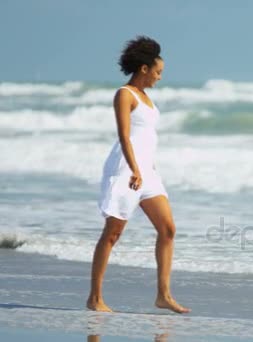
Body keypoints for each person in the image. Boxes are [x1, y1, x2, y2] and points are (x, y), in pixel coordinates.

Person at [86, 36, 190, 314]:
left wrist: (148, 169)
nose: (159, 77)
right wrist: (134, 169)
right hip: (126, 171)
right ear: (144, 68)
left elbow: (147, 138)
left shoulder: (147, 98)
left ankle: (163, 295)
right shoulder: (125, 94)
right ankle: (95, 298)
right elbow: (124, 135)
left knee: (168, 229)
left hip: (147, 173)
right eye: (158, 72)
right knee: (112, 233)